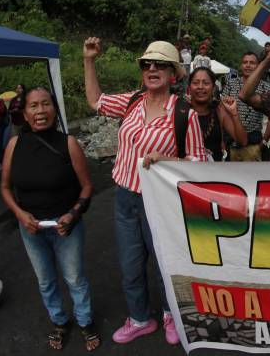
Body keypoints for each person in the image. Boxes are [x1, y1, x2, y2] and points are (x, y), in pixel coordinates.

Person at [82, 37, 206, 346]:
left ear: (173, 73)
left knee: (166, 263)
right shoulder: (131, 101)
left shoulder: (184, 113)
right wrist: (88, 60)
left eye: (160, 64)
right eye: (147, 64)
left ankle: (170, 315)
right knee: (130, 263)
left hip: (160, 201)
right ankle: (139, 318)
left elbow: (199, 162)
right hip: (125, 198)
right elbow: (95, 101)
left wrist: (168, 160)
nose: (152, 68)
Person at [0, 87, 100, 351]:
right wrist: (20, 215)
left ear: (54, 110)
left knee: (75, 278)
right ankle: (59, 321)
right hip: (30, 228)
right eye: (33, 106)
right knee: (45, 280)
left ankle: (85, 321)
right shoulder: (14, 145)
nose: (40, 111)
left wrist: (72, 214)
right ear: (25, 113)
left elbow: (87, 186)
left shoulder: (68, 143)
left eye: (46, 104)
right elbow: (5, 188)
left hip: (66, 225)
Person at [188, 67, 248, 161]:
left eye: (206, 83)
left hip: (214, 171)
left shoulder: (219, 111)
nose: (200, 87)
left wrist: (234, 113)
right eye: (195, 83)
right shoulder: (181, 111)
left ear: (213, 88)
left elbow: (243, 141)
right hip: (185, 171)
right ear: (189, 88)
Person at [222, 52, 270, 162]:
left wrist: (263, 143)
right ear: (241, 65)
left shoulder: (266, 87)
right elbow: (222, 113)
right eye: (245, 62)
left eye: (252, 63)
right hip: (231, 144)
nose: (248, 65)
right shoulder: (231, 84)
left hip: (253, 145)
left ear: (258, 66)